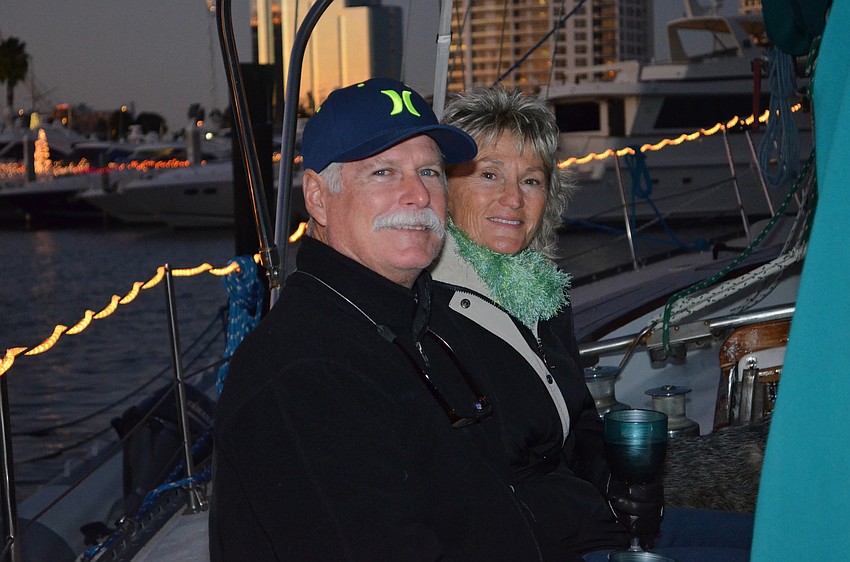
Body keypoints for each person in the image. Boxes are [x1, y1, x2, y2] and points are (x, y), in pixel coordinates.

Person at [209, 78, 566, 561]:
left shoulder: (422, 323)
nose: (418, 195)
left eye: (430, 171)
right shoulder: (301, 374)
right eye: (383, 173)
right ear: (317, 198)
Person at [431, 87, 755, 562]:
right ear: (445, 187)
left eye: (532, 180)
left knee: (785, 538)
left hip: (591, 517)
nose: (513, 199)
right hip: (538, 542)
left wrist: (615, 480)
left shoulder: (541, 294)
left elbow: (578, 417)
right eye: (488, 174)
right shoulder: (433, 307)